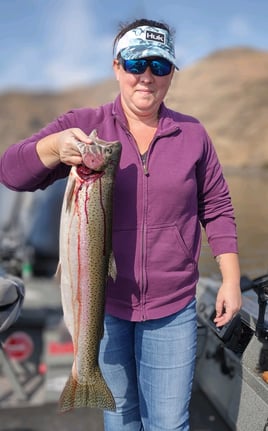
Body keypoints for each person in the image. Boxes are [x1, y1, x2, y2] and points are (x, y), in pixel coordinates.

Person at [0, 18, 241, 431]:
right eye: (135, 63)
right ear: (117, 67)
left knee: (168, 423)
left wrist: (232, 280)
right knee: (122, 419)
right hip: (105, 309)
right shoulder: (85, 125)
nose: (146, 76)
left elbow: (216, 205)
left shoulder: (193, 134)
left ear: (170, 74)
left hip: (173, 308)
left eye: (159, 66)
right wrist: (55, 147)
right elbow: (12, 173)